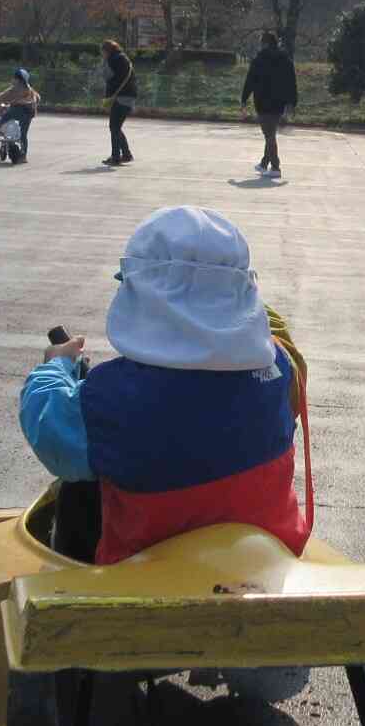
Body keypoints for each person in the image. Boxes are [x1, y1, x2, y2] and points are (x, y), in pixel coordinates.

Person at [18, 206, 314, 565]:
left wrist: (56, 365)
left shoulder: (111, 396)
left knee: (79, 486)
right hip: (268, 553)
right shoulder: (279, 368)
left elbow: (50, 430)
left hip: (145, 570)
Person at [240, 31, 298, 178]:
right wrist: (292, 102)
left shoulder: (259, 60)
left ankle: (275, 167)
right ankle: (264, 163)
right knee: (270, 132)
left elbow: (250, 81)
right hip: (279, 102)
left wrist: (244, 100)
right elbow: (292, 82)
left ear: (264, 43)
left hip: (263, 101)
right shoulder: (286, 60)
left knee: (269, 135)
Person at [0, 68, 40, 160]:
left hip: (25, 114)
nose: (13, 80)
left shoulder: (27, 91)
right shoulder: (25, 90)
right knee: (23, 134)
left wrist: (16, 103)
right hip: (28, 115)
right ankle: (23, 156)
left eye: (15, 78)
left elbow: (34, 100)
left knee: (11, 113)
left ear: (20, 80)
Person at [100, 40, 136, 166]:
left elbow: (108, 77)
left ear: (106, 51)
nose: (102, 54)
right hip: (129, 97)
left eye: (103, 52)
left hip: (120, 97)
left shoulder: (113, 60)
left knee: (114, 127)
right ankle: (126, 154)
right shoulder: (124, 58)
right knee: (116, 127)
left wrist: (104, 63)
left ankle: (116, 157)